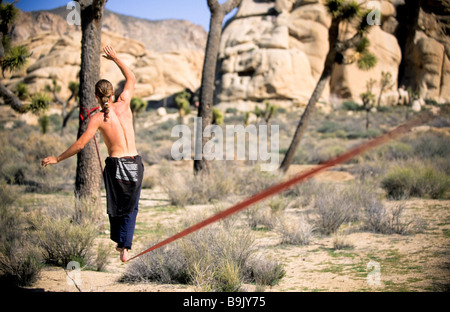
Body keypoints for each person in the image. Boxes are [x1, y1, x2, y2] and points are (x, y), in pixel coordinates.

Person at [41, 45, 144, 262]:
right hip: (135, 163)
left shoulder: (98, 118)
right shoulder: (124, 104)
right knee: (131, 206)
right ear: (113, 93)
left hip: (117, 165)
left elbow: (80, 145)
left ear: (97, 96)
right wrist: (116, 58)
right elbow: (131, 77)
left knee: (116, 205)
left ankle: (121, 243)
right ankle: (124, 246)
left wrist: (57, 158)